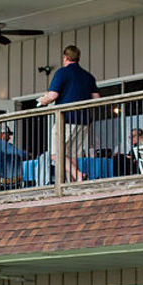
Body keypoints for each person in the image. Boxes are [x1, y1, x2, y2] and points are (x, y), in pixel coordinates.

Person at [36, 45, 100, 182]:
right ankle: (73, 184)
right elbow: (97, 99)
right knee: (72, 155)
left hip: (65, 119)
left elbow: (53, 96)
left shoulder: (61, 73)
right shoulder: (88, 76)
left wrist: (43, 100)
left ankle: (78, 175)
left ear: (65, 57)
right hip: (83, 121)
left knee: (55, 154)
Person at [0, 125, 29, 189]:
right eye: (8, 135)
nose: (9, 138)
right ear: (3, 134)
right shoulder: (0, 143)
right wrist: (29, 154)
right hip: (0, 180)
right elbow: (19, 153)